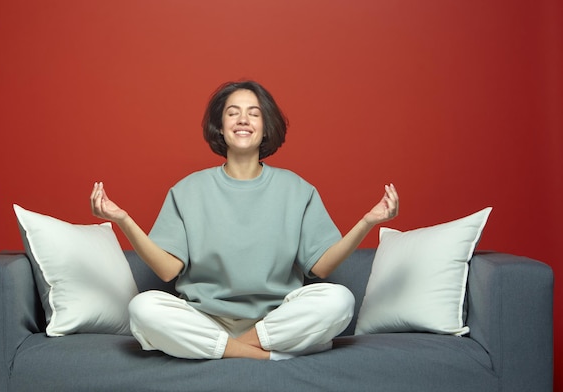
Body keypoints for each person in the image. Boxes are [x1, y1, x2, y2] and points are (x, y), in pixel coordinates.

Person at [90, 80, 399, 360]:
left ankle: (223, 348)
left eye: (253, 113)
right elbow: (167, 269)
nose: (242, 120)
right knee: (143, 309)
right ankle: (264, 355)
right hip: (205, 318)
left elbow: (322, 267)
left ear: (266, 128)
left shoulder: (296, 189)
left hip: (275, 319)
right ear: (220, 127)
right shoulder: (187, 190)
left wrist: (367, 222)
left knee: (339, 300)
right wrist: (123, 220)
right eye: (232, 113)